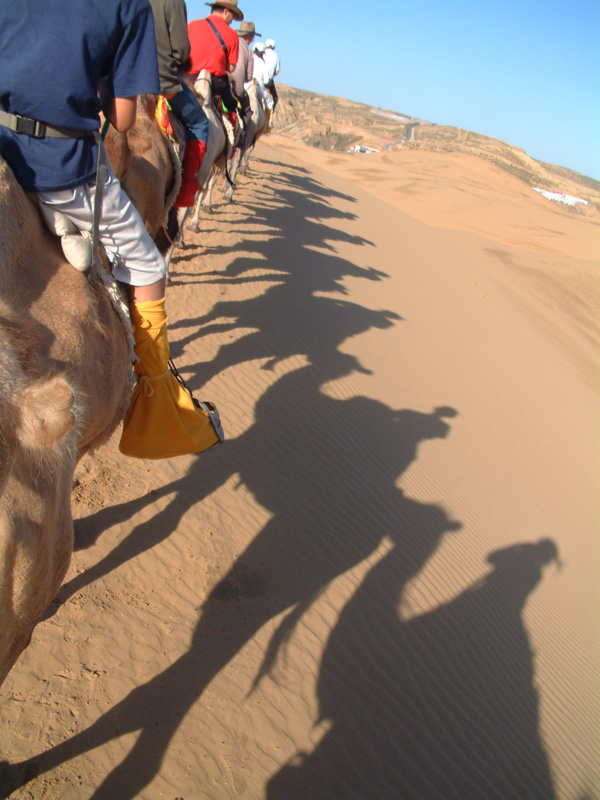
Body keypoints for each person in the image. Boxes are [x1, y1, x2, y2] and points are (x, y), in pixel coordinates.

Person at [0, 0, 221, 459]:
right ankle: (158, 394)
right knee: (146, 256)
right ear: (234, 18)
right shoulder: (132, 5)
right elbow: (122, 118)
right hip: (59, 165)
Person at [148, 0, 210, 209]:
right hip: (161, 82)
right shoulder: (173, 2)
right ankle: (183, 197)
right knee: (200, 123)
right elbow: (182, 52)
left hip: (122, 75)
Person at [187, 1, 244, 118]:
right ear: (226, 11)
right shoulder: (232, 35)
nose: (232, 20)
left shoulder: (191, 25)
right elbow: (231, 68)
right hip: (217, 84)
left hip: (188, 80)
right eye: (232, 15)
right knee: (234, 111)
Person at [231, 21, 261, 133]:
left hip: (219, 80)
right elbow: (249, 77)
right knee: (248, 111)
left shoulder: (229, 40)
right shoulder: (248, 51)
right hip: (235, 89)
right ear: (249, 37)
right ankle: (241, 137)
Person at [251, 42, 274, 133]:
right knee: (270, 101)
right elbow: (266, 82)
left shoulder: (249, 58)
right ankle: (266, 127)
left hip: (246, 85)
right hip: (258, 88)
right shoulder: (263, 64)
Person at [264, 38, 281, 110]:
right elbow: (277, 71)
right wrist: (271, 74)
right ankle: (270, 115)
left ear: (266, 46)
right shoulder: (276, 56)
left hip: (259, 79)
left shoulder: (263, 53)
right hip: (269, 82)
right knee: (275, 98)